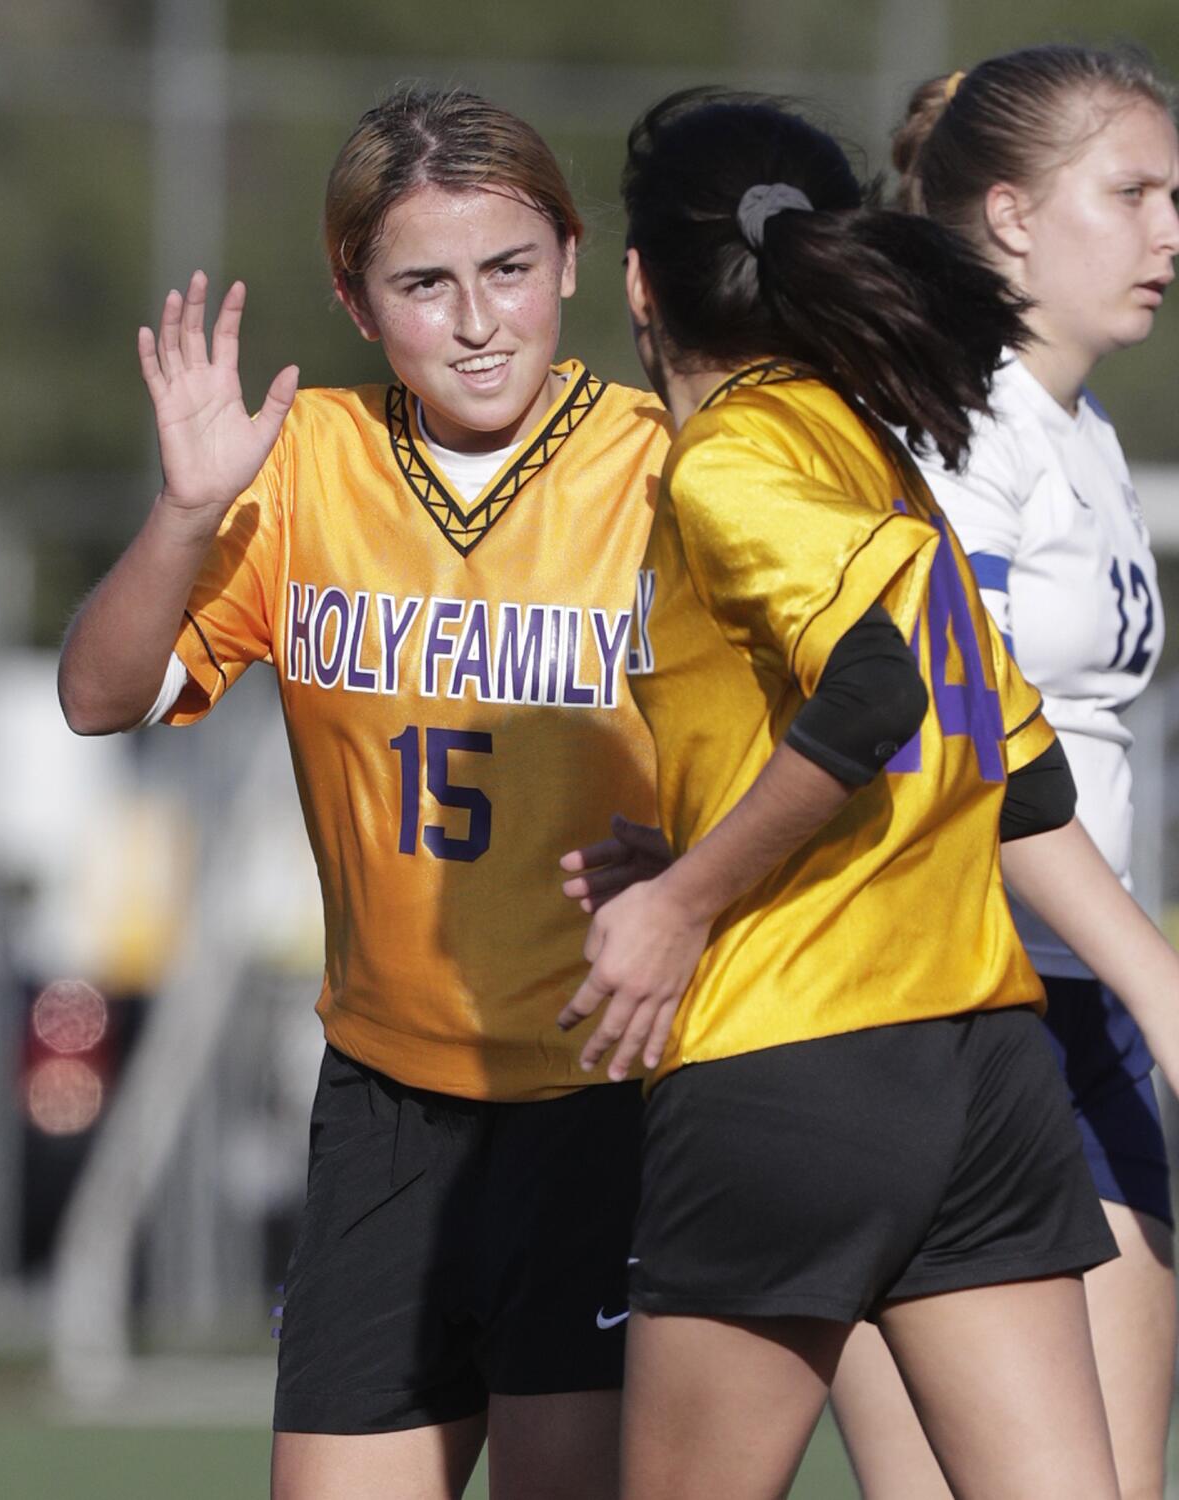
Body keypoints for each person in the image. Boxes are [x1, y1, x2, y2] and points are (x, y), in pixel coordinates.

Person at [557, 85, 1179, 1500]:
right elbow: (1007, 761)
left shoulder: (731, 457)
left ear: (642, 283)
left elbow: (874, 695)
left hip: (796, 1056)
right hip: (988, 1065)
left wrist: (683, 904)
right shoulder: (885, 455)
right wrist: (698, 848)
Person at [57, 88, 672, 1500]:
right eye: (424, 282)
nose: (476, 319)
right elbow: (98, 697)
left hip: (609, 1093)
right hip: (385, 1101)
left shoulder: (666, 464)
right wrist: (184, 513)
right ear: (354, 296)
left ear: (572, 260)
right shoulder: (305, 463)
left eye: (510, 270)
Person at [828, 48, 1179, 1500]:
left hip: (1077, 1010)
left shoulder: (1078, 428)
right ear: (1013, 214)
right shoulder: (952, 420)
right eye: (1136, 194)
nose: (1172, 233)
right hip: (946, 1011)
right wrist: (1164, 984)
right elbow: (950, 731)